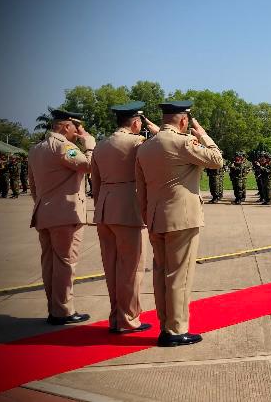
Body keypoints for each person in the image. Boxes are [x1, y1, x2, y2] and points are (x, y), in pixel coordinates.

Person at [135, 101, 223, 347]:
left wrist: (146, 214)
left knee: (162, 275)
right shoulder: (183, 143)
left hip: (155, 217)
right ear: (183, 121)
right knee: (179, 277)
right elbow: (217, 160)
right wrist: (203, 134)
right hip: (182, 219)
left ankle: (165, 326)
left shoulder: (145, 147)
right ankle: (176, 330)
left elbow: (140, 188)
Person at [92, 101, 159, 334]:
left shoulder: (100, 145)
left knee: (111, 268)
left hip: (104, 209)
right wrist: (154, 128)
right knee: (131, 269)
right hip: (128, 209)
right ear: (135, 122)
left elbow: (96, 182)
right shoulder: (138, 142)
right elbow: (166, 143)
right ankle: (129, 319)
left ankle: (115, 317)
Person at [28, 108, 95, 325]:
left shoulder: (36, 149)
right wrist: (90, 144)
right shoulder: (64, 147)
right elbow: (89, 166)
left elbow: (33, 186)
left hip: (44, 214)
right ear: (66, 126)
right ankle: (63, 311)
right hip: (65, 215)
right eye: (76, 127)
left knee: (49, 263)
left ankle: (54, 308)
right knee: (66, 263)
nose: (78, 131)